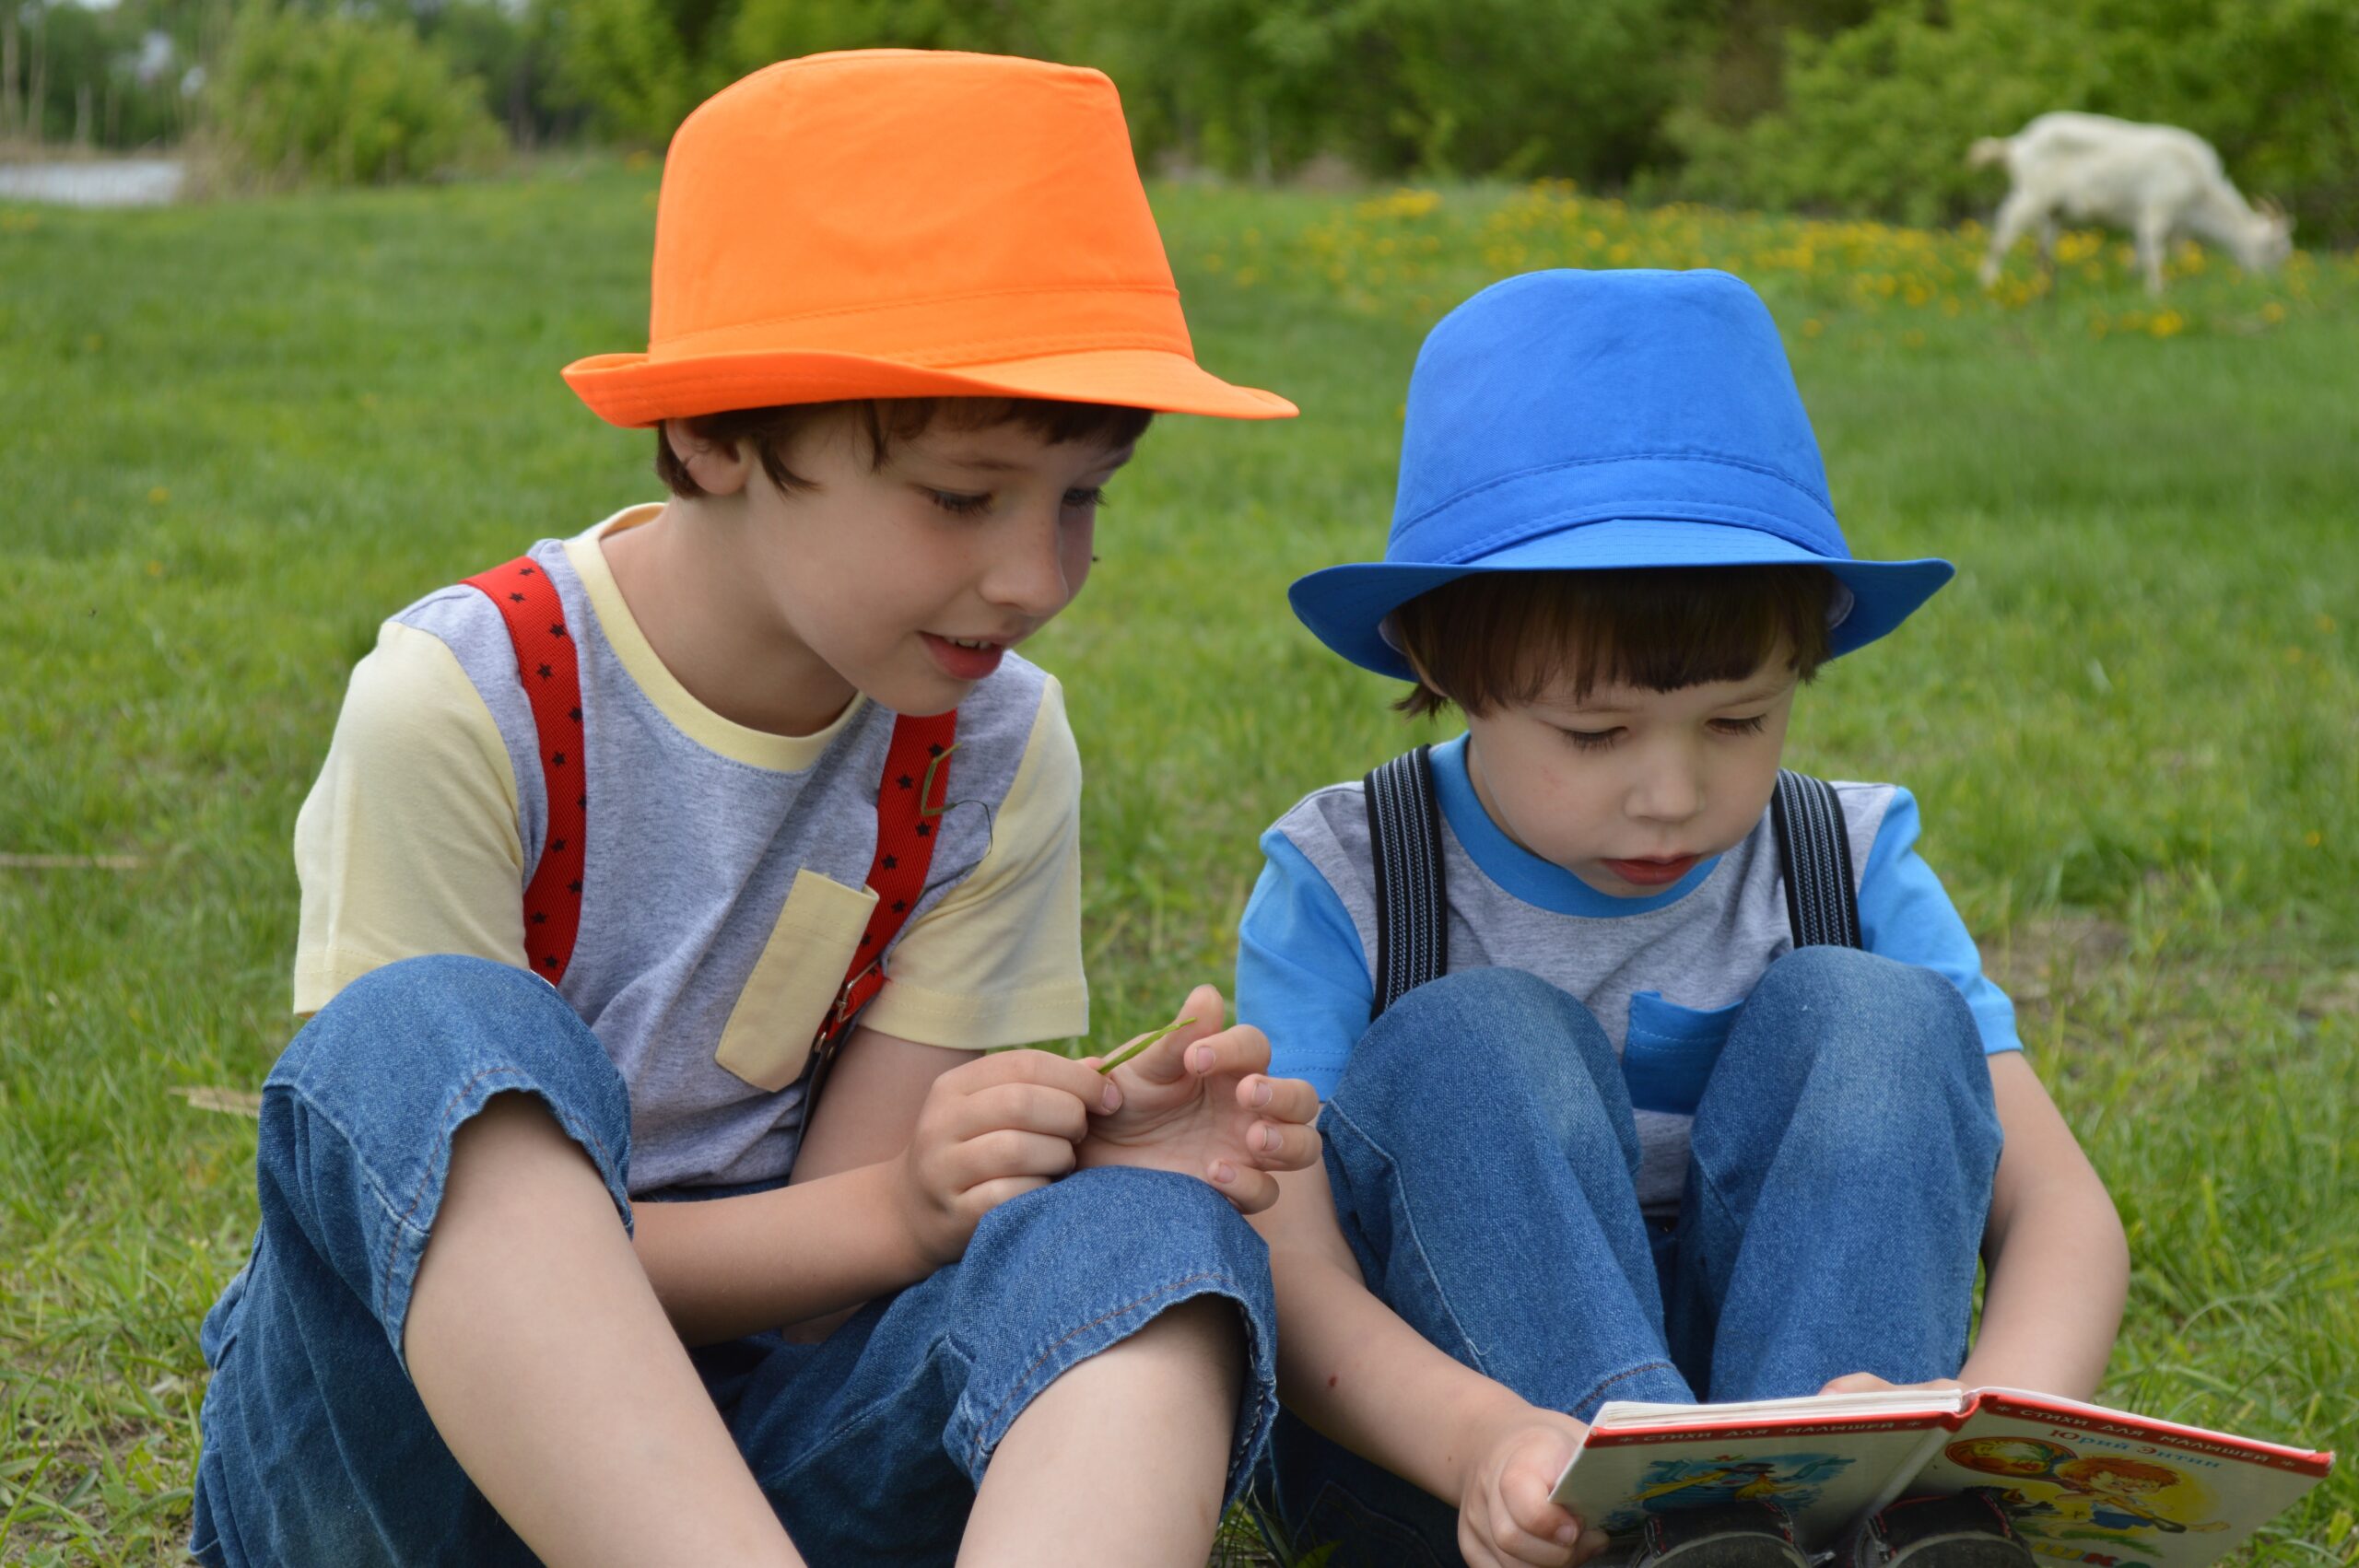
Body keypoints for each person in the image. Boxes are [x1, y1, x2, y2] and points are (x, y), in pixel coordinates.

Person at [189, 50, 1326, 1568]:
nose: (1037, 577)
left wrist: (1011, 1179)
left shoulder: (990, 745)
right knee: (425, 1039)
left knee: (1155, 1246)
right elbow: (396, 1210)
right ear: (720, 433)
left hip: (756, 1470)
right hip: (405, 1472)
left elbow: (822, 1279)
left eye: (1080, 499)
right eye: (962, 495)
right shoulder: (463, 703)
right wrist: (903, 1214)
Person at [1235, 269, 2130, 1568]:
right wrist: (1485, 1442)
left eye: (1739, 719)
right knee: (1473, 1034)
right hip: (1473, 1464)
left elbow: (2060, 1211)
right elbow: (1290, 1272)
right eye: (1595, 733)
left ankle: (1850, 1520)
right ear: (1440, 661)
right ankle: (1662, 1523)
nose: (1673, 792)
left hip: (1815, 1435)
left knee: (1879, 1013)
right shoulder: (1350, 875)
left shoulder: (1847, 854)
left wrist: (1975, 1432)